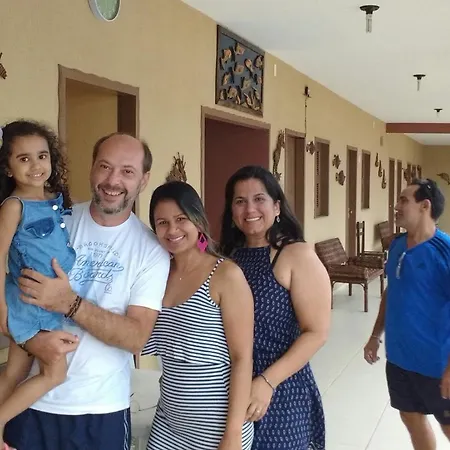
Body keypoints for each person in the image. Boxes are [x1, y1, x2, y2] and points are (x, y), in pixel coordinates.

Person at [3, 132, 170, 450]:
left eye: (127, 171)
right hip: (29, 403)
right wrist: (31, 341)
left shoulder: (151, 251)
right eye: (105, 166)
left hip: (101, 412)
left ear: (144, 179)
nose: (113, 181)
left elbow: (136, 337)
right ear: (92, 168)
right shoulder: (53, 220)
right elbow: (11, 292)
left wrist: (69, 302)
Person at [220, 165, 331, 450]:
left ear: (277, 206)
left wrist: (267, 382)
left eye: (259, 199)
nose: (250, 209)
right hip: (229, 386)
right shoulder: (226, 257)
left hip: (281, 389)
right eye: (240, 201)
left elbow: (316, 332)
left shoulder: (295, 255)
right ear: (231, 210)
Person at [142, 180, 254, 450]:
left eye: (181, 219)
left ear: (198, 220)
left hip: (217, 429)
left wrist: (233, 434)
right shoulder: (156, 275)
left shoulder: (226, 275)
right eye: (162, 223)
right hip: (168, 425)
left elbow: (242, 359)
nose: (172, 230)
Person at [0, 120, 77, 449]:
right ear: (8, 167)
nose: (36, 165)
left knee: (14, 373)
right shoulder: (13, 206)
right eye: (24, 158)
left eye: (42, 156)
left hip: (46, 303)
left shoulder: (52, 200)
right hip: (28, 304)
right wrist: (1, 310)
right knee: (55, 373)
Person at [364, 178, 450, 449]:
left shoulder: (445, 251)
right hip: (400, 359)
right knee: (411, 418)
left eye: (403, 200)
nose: (396, 206)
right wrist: (375, 335)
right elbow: (392, 290)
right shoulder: (398, 245)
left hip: (437, 363)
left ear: (425, 206)